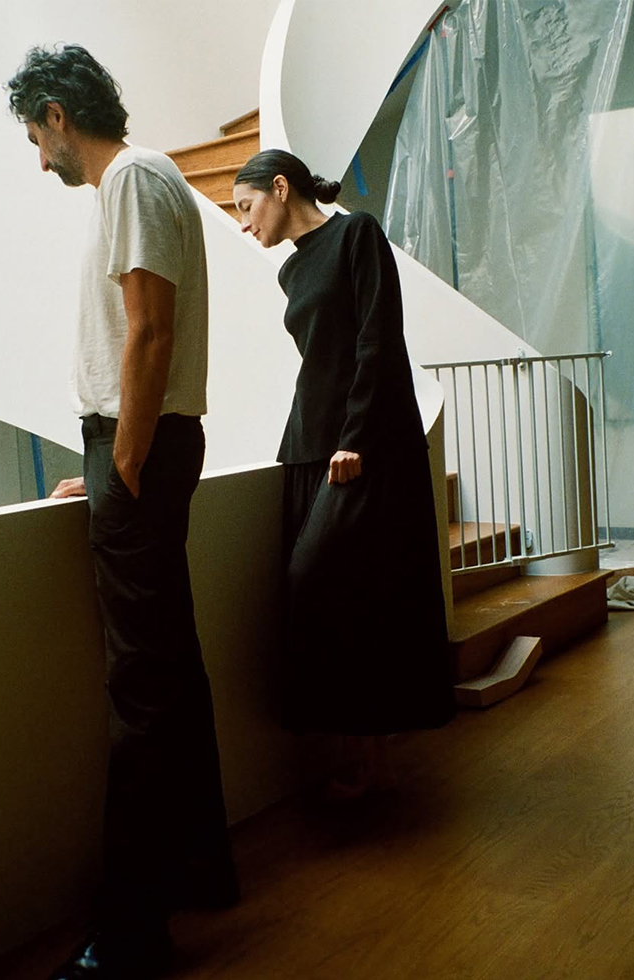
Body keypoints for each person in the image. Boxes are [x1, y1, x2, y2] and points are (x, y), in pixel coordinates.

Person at [6, 44, 236, 980]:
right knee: (169, 669)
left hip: (140, 447)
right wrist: (101, 466)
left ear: (59, 114)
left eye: (34, 134)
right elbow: (139, 339)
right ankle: (203, 869)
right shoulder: (153, 180)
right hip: (136, 448)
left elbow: (151, 329)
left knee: (140, 692)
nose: (38, 157)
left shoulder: (133, 177)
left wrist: (124, 457)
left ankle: (132, 933)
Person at [232, 149, 455, 801]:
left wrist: (355, 437)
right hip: (309, 445)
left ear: (280, 187)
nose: (245, 225)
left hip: (359, 449)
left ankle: (375, 761)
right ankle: (353, 756)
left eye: (246, 208)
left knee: (337, 584)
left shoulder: (356, 234)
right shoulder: (290, 273)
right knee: (325, 600)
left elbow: (376, 340)